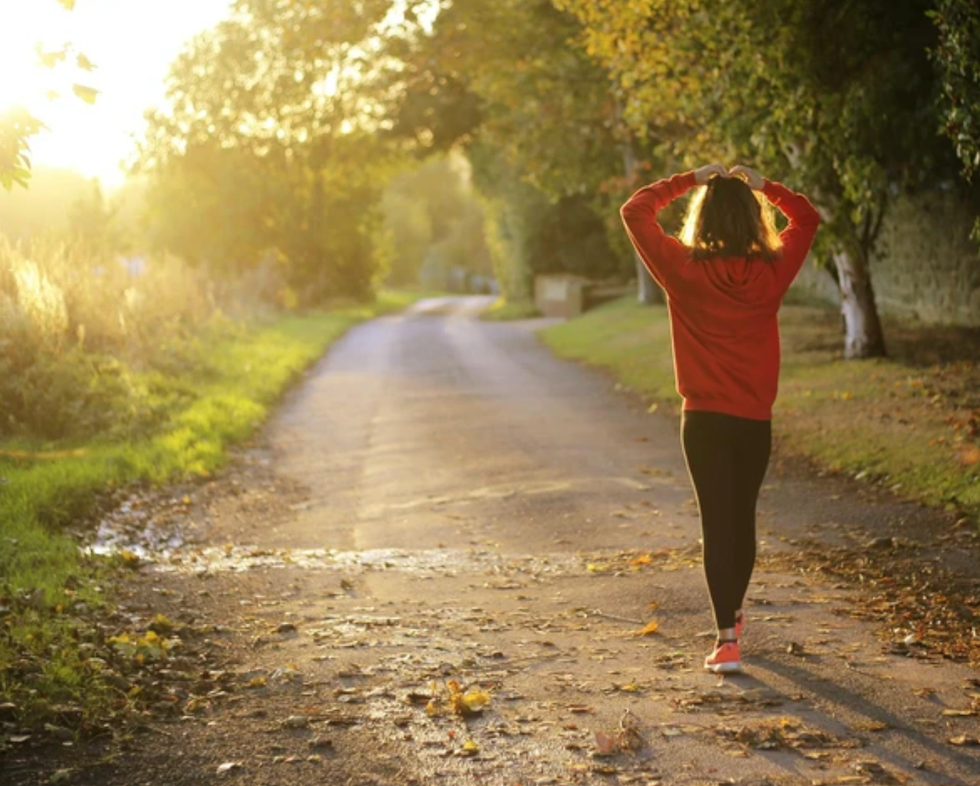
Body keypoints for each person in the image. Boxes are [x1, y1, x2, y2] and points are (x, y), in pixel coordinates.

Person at [620, 163, 820, 674]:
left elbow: (635, 210)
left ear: (702, 218)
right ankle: (731, 617)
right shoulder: (772, 270)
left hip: (703, 420)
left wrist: (689, 179)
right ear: (754, 220)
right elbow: (807, 217)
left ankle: (726, 638)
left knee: (716, 521)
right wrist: (765, 186)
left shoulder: (682, 268)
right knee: (742, 518)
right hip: (753, 419)